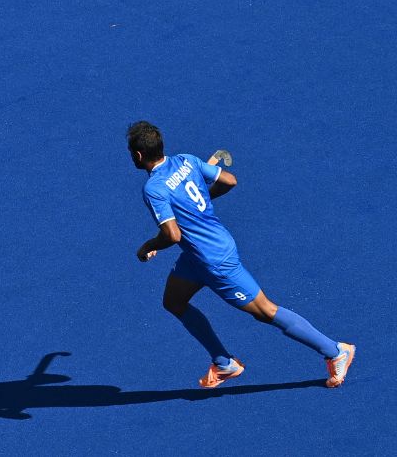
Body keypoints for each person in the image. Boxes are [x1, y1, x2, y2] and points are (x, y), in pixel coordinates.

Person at [127, 121, 354, 388]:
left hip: (216, 261)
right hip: (195, 257)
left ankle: (335, 351)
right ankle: (224, 363)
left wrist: (147, 247)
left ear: (138, 155)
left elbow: (172, 235)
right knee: (174, 302)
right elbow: (229, 181)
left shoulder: (154, 189)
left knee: (265, 311)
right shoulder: (186, 160)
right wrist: (200, 202)